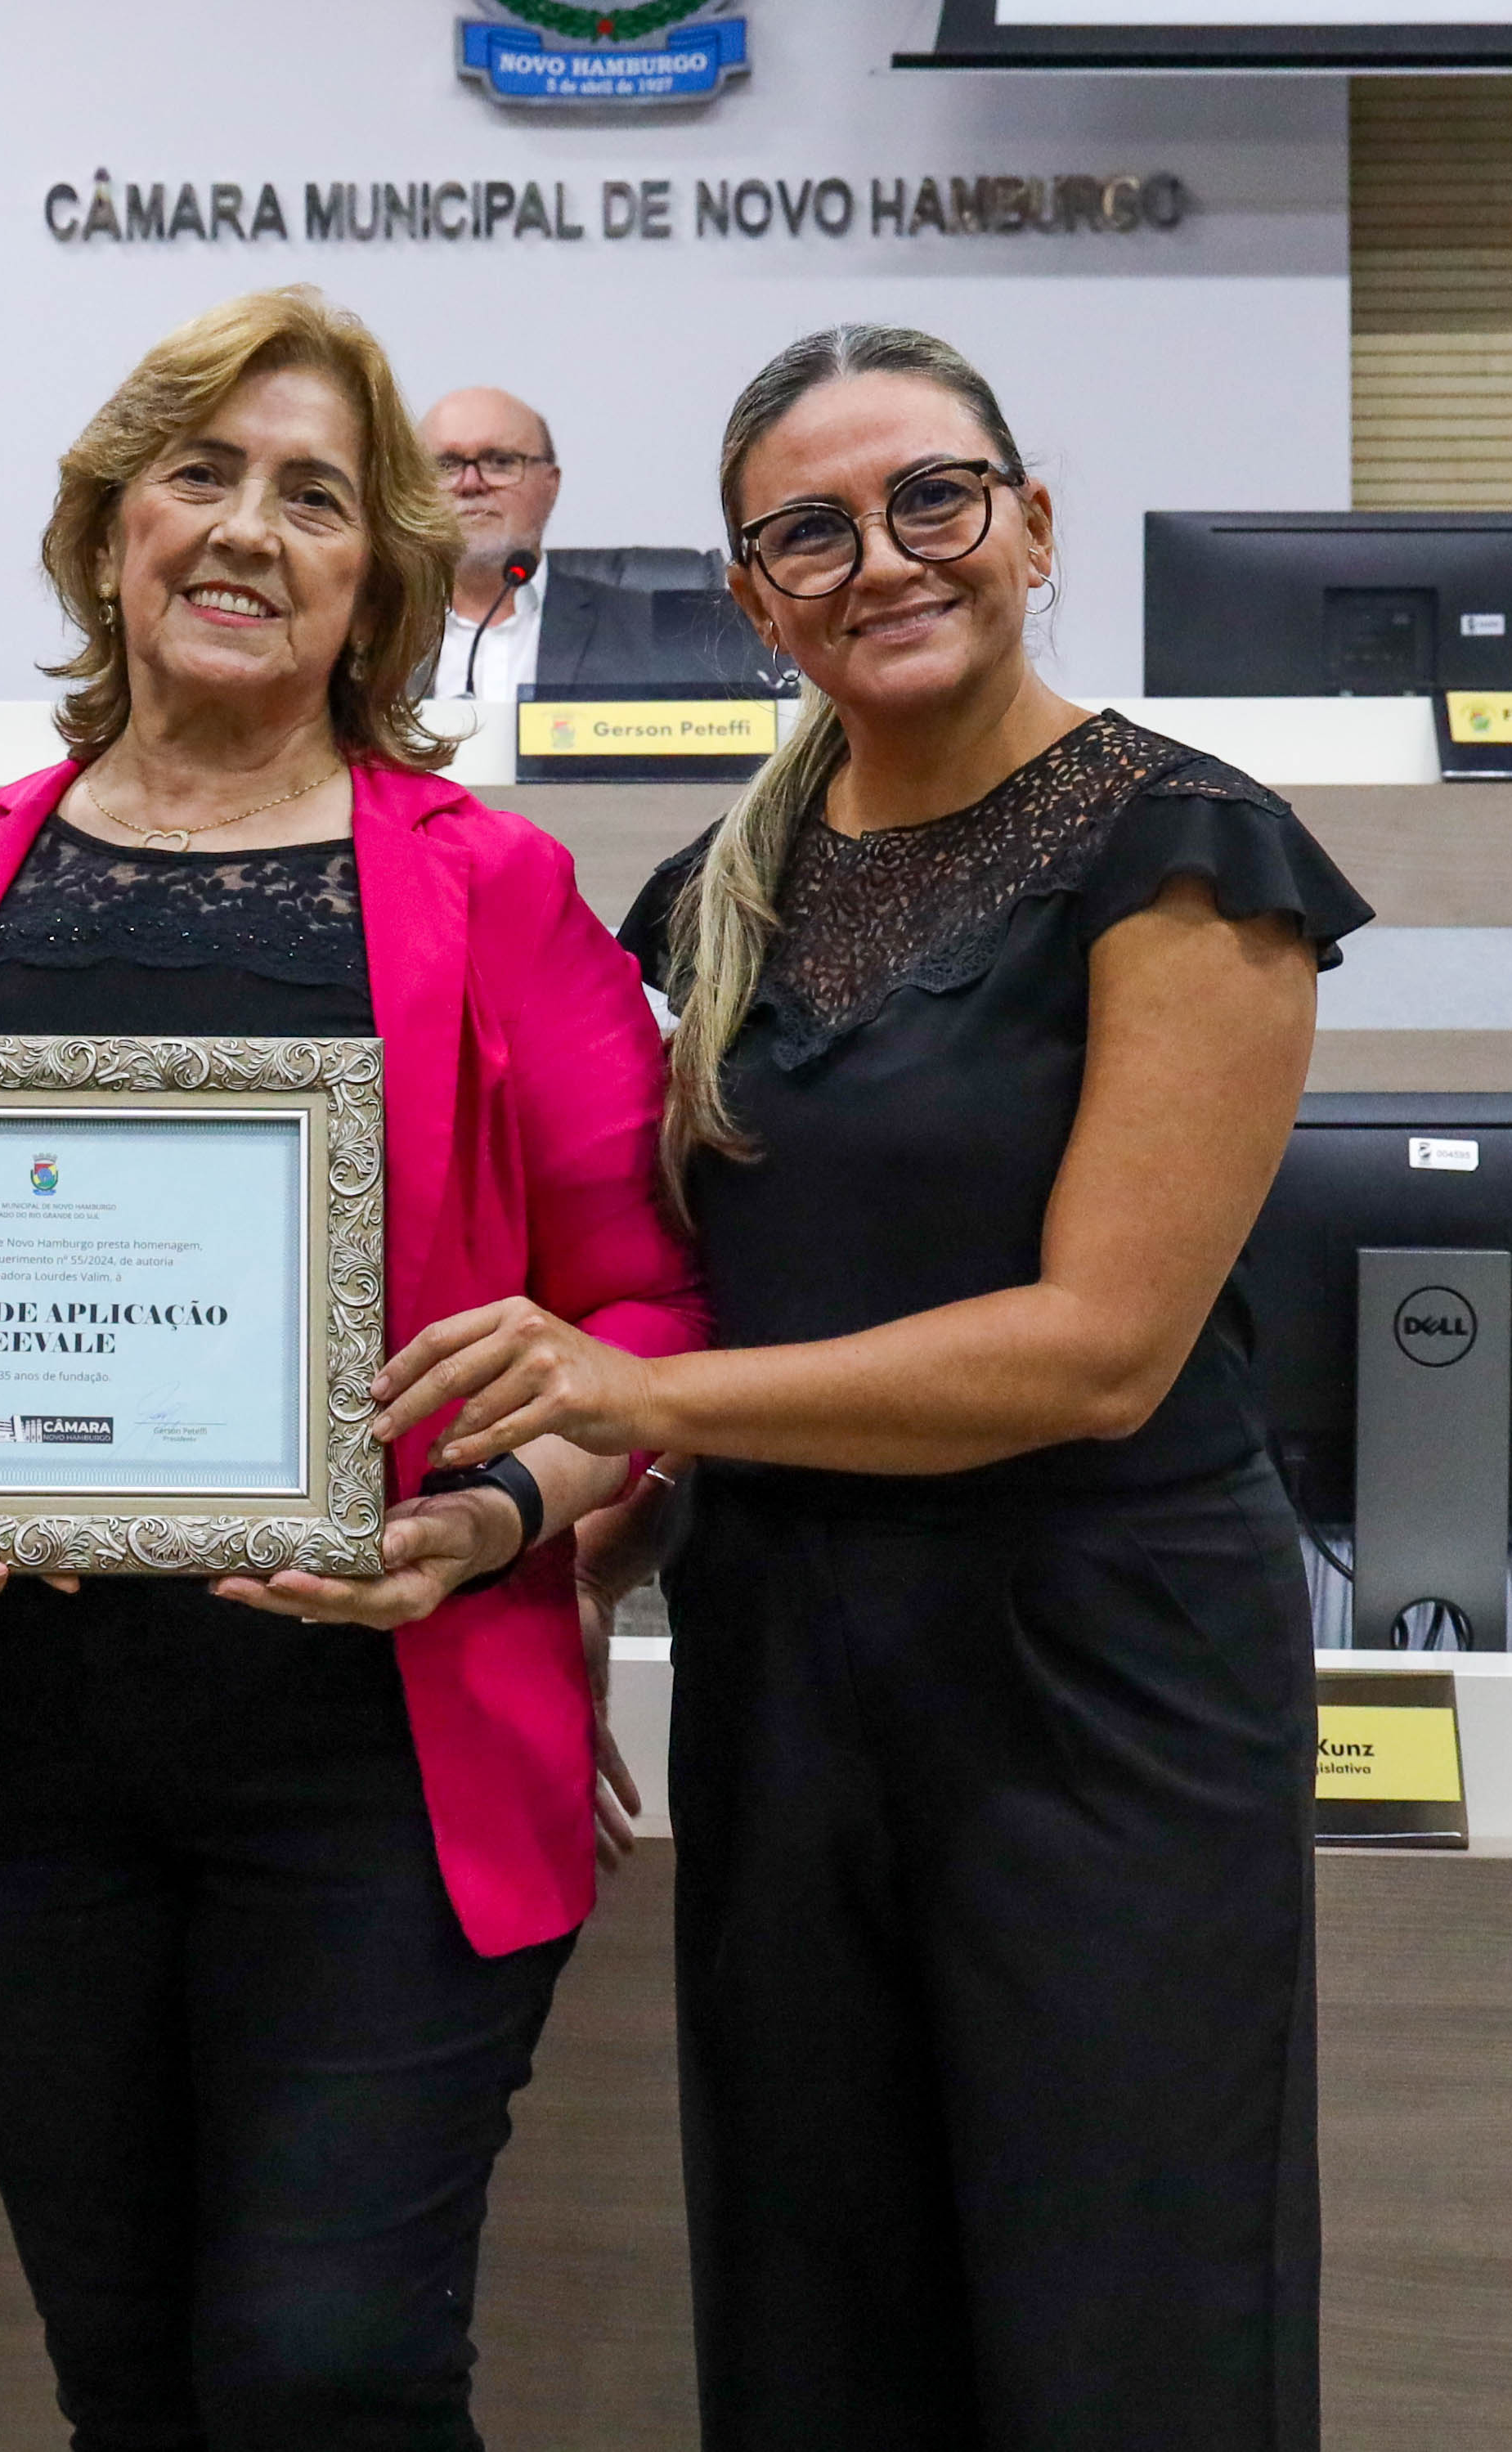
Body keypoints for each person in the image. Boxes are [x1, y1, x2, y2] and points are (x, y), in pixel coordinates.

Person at [0, 287, 701, 2449]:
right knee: (125, 2378)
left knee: (327, 2367)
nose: (246, 528)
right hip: (20, 1775)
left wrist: (500, 1508)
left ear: (374, 575)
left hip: (377, 1771)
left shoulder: (498, 889)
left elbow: (649, 1313)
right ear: (109, 531)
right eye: (199, 474)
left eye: (310, 495)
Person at [373, 323, 1372, 2450]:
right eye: (803, 531)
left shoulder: (1183, 850)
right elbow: (657, 1325)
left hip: (1093, 1676)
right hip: (787, 1659)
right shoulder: (709, 890)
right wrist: (528, 1528)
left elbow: (1096, 1353)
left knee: (1118, 2313)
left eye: (930, 497)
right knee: (815, 2302)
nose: (878, 558)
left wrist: (645, 1415)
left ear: (1027, 523)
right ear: (747, 598)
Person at [420, 382, 653, 698]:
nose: (471, 484)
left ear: (550, 485)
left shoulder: (639, 629)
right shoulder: (365, 633)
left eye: (500, 462)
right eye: (446, 466)